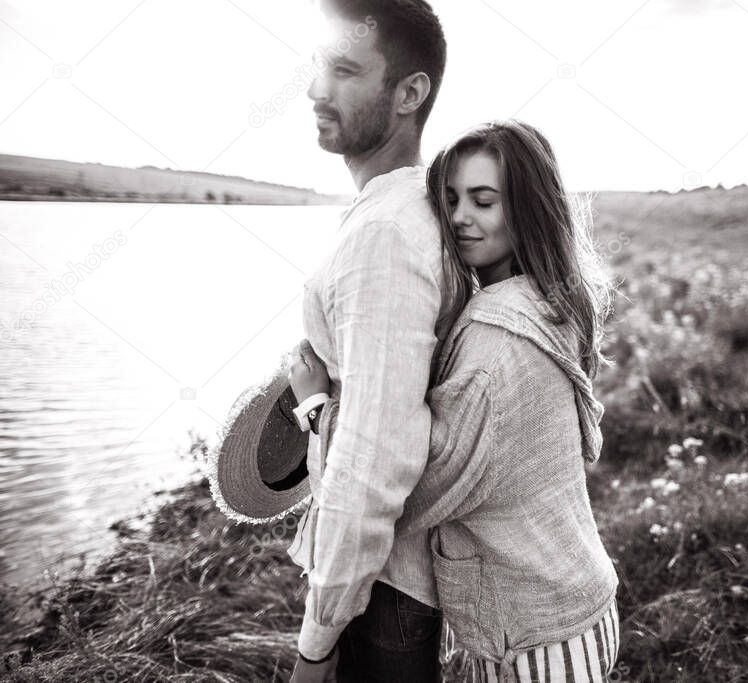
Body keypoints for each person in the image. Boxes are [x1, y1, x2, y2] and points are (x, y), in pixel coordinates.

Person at [292, 120, 621, 682]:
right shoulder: (547, 301)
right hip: (573, 606)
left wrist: (317, 408)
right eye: (451, 200)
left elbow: (411, 487)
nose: (461, 217)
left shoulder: (494, 345)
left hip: (535, 645)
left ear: (528, 208)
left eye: (484, 201)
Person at [284, 1, 457, 681]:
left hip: (386, 594)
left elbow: (372, 457)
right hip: (392, 584)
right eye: (318, 66)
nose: (315, 90)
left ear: (410, 92)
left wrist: (315, 641)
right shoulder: (414, 208)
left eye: (345, 70)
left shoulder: (385, 234)